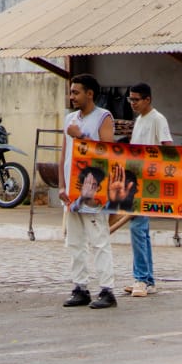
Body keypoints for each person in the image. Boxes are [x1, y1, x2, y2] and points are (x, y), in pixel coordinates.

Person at [60, 74, 117, 310]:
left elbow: (107, 153)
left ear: (89, 93)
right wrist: (62, 185)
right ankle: (80, 286)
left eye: (76, 92)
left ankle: (107, 289)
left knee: (99, 240)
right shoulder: (70, 119)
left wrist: (81, 137)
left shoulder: (103, 117)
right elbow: (64, 154)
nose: (72, 96)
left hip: (93, 189)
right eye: (71, 92)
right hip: (72, 191)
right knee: (74, 240)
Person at [119, 82, 176, 298]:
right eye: (130, 99)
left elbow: (168, 146)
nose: (132, 103)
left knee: (137, 228)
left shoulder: (157, 119)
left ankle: (141, 278)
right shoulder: (140, 120)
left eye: (136, 100)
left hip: (149, 180)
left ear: (147, 99)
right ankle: (147, 278)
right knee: (141, 231)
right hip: (136, 178)